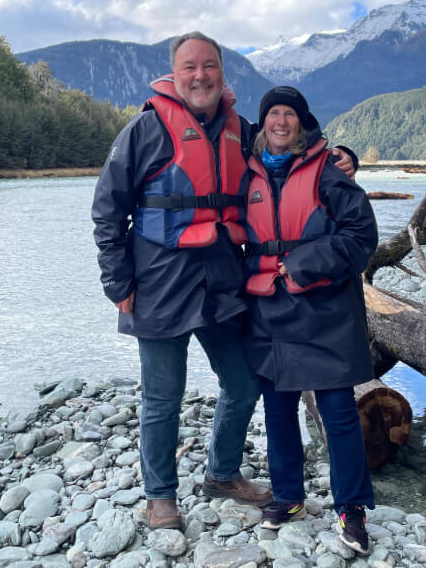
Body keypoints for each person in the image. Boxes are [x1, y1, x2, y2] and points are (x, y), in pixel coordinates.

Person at [91, 32, 355, 530]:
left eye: (209, 66)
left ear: (222, 73)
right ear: (175, 73)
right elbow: (108, 211)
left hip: (222, 280)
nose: (200, 76)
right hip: (157, 281)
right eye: (190, 67)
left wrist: (343, 157)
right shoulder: (144, 130)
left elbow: (291, 147)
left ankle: (221, 473)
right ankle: (160, 497)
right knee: (162, 396)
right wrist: (116, 281)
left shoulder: (242, 129)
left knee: (243, 381)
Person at [242, 86, 378, 555]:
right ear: (263, 125)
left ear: (302, 123)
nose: (280, 122)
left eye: (289, 115)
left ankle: (352, 510)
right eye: (273, 114)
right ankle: (288, 496)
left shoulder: (328, 171)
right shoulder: (249, 171)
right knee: (277, 408)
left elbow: (362, 235)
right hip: (269, 308)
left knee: (338, 412)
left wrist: (300, 264)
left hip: (324, 307)